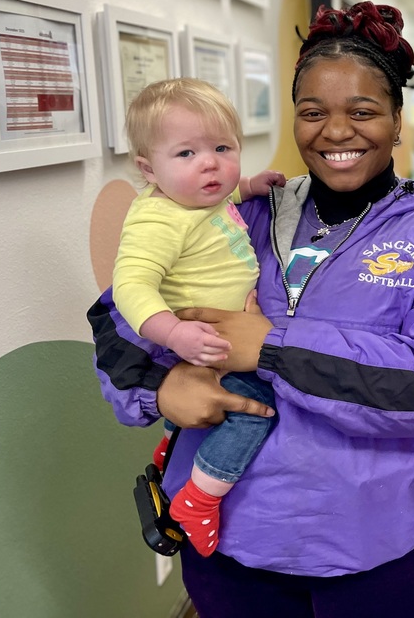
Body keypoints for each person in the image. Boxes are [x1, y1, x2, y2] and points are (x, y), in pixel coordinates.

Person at [89, 1, 414, 618]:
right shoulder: (237, 213)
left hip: (376, 542)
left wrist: (270, 346)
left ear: (397, 120)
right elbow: (118, 319)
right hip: (230, 541)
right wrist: (159, 389)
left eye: (363, 111)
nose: (336, 131)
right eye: (313, 112)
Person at [114, 77, 285, 555]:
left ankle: (169, 446)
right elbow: (130, 285)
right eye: (186, 153)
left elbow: (226, 199)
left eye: (222, 148)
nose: (210, 163)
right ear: (149, 169)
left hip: (220, 340)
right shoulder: (159, 218)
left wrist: (249, 186)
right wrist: (174, 333)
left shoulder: (198, 196)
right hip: (205, 345)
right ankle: (200, 500)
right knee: (253, 412)